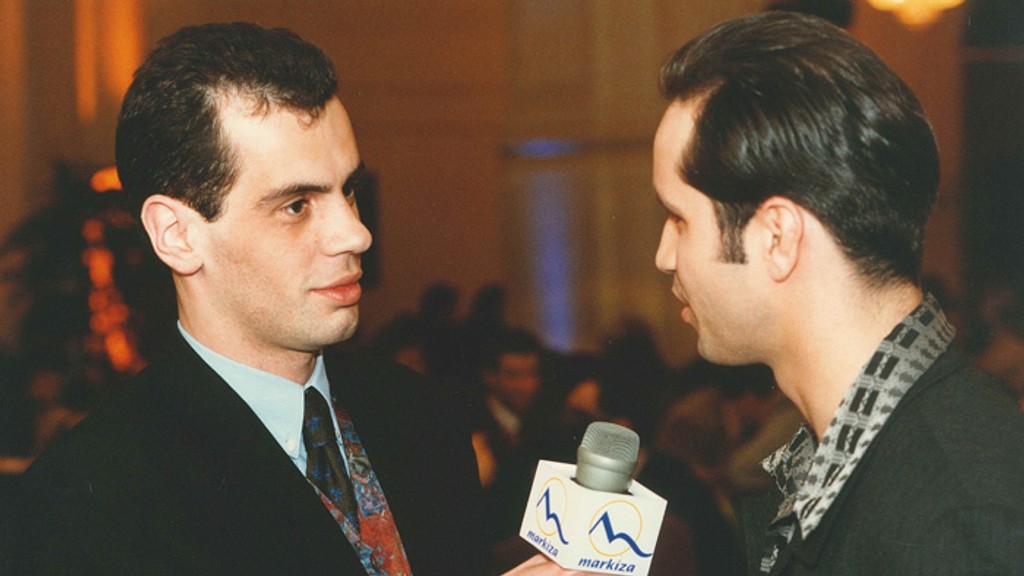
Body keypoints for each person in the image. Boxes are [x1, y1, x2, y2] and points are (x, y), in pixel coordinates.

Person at [7, 22, 586, 576]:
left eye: (349, 190)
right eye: (296, 205)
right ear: (177, 235)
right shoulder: (92, 499)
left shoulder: (421, 416)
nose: (356, 234)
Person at [652, 11, 1024, 575]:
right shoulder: (885, 453)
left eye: (679, 218)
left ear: (778, 238)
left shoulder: (956, 519)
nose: (664, 255)